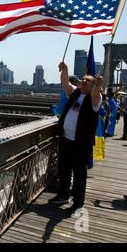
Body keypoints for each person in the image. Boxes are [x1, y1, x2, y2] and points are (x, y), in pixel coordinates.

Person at [49, 62, 102, 215]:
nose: (83, 82)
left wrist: (97, 85)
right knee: (64, 168)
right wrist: (65, 70)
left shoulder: (94, 99)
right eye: (83, 80)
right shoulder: (75, 93)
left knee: (79, 173)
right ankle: (63, 195)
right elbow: (65, 83)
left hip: (81, 143)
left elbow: (96, 93)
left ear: (92, 85)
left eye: (88, 81)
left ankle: (78, 201)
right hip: (66, 139)